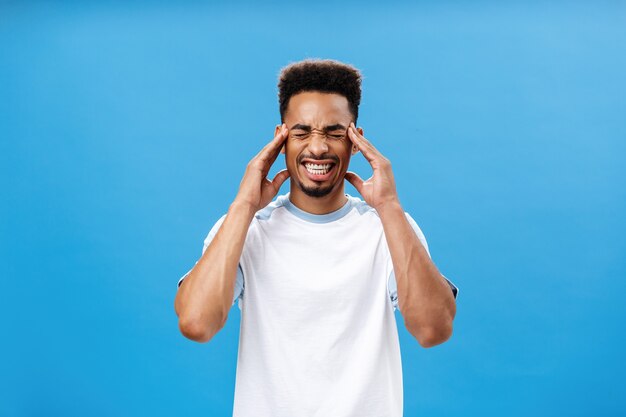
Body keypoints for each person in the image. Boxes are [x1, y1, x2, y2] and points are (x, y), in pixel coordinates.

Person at [174, 58, 459, 417]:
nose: (318, 147)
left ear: (356, 141)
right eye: (302, 131)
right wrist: (244, 205)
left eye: (335, 132)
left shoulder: (388, 228)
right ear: (281, 139)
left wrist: (388, 206)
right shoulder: (245, 227)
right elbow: (196, 323)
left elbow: (433, 329)